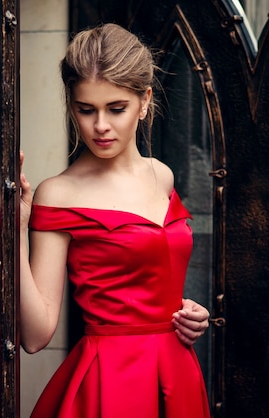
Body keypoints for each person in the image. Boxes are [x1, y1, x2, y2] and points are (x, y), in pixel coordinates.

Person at [19, 23, 211, 417]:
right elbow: (36, 336)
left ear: (144, 101)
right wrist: (16, 232)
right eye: (85, 109)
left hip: (177, 371)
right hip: (111, 381)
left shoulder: (162, 174)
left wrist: (188, 312)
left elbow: (151, 275)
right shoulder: (58, 194)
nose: (100, 126)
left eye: (116, 109)